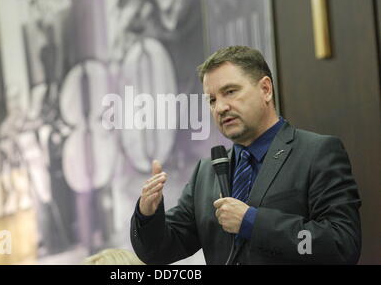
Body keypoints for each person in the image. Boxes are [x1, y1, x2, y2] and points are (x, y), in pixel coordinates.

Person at [130, 46, 362, 264]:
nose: (220, 107)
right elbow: (159, 251)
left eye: (230, 92)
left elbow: (342, 245)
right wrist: (147, 214)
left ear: (265, 89)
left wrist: (252, 222)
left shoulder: (316, 153)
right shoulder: (207, 172)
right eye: (212, 100)